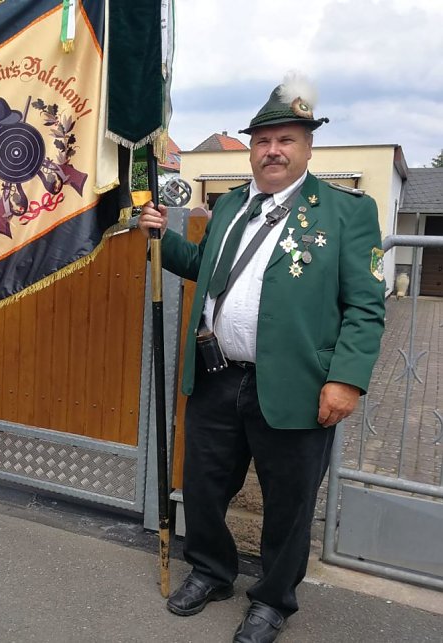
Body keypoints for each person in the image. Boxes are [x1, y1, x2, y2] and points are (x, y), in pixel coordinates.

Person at [138, 73, 385, 642]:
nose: (272, 150)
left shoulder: (347, 213)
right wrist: (161, 236)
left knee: (289, 505)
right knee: (202, 487)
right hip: (218, 376)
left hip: (297, 383)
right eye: (263, 141)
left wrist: (345, 379)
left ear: (307, 147)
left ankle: (273, 600)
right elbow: (209, 269)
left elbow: (366, 307)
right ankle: (212, 572)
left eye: (286, 140)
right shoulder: (228, 206)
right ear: (251, 148)